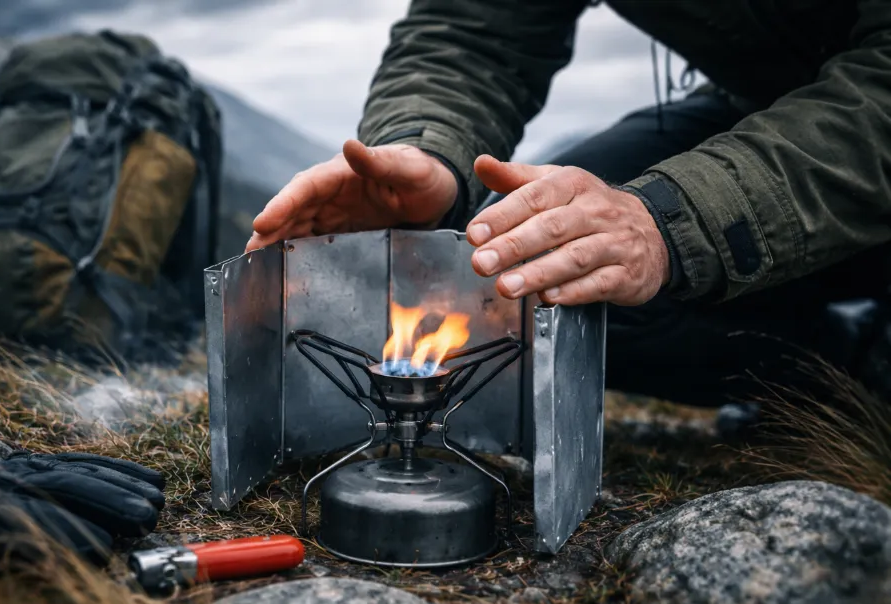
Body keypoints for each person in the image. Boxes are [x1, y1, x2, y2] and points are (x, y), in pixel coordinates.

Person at [246, 0, 891, 411]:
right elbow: (474, 28)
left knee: (602, 258)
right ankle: (840, 374)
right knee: (542, 279)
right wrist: (427, 148)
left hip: (865, 121)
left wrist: (671, 222)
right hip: (754, 106)